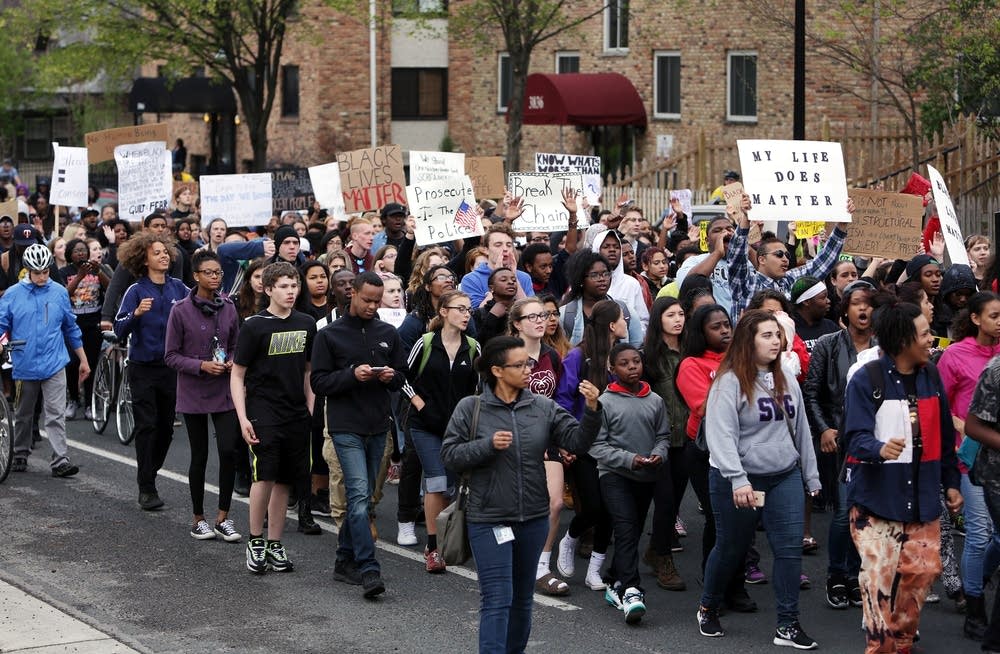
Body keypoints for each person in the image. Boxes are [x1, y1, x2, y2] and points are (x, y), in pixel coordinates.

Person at [441, 336, 602, 654]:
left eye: (529, 362)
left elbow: (578, 442)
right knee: (498, 597)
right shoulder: (471, 408)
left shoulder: (542, 407)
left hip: (533, 518)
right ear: (498, 371)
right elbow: (449, 455)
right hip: (489, 518)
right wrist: (486, 446)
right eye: (520, 364)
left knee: (521, 600)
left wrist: (594, 410)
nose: (530, 368)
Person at [842, 298, 963, 654]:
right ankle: (882, 648)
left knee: (923, 574)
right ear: (902, 339)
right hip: (875, 503)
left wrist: (952, 483)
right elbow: (855, 435)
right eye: (925, 333)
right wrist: (878, 448)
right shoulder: (867, 378)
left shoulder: (931, 375)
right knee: (877, 589)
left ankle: (903, 644)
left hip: (924, 501)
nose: (931, 339)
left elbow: (943, 433)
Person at [697, 309, 821, 648]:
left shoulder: (786, 377)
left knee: (789, 551)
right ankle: (708, 605)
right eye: (767, 335)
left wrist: (810, 477)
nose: (775, 341)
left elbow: (801, 432)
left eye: (777, 334)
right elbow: (720, 435)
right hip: (738, 481)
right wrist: (739, 480)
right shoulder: (729, 381)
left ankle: (787, 624)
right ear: (748, 341)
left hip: (783, 477)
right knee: (731, 548)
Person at [311, 271, 406, 599]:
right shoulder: (329, 335)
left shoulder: (388, 333)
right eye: (366, 300)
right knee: (359, 497)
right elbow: (319, 383)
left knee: (364, 498)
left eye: (377, 302)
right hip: (345, 426)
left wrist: (390, 376)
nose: (371, 306)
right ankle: (369, 568)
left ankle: (343, 560)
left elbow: (401, 377)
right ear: (352, 294)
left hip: (378, 425)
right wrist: (353, 375)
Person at [231, 261, 315, 574]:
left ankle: (275, 543)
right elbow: (237, 375)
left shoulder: (306, 323)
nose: (291, 291)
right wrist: (243, 418)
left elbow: (308, 371)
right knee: (263, 476)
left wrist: (311, 408)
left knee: (284, 480)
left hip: (295, 412)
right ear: (268, 290)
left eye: (294, 285)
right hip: (263, 411)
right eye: (283, 286)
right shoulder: (254, 326)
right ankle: (255, 540)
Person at [802, 279, 876, 610]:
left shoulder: (884, 346)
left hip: (878, 441)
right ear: (845, 309)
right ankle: (836, 574)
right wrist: (824, 428)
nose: (865, 309)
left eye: (870, 303)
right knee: (846, 511)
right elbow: (813, 392)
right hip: (843, 442)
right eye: (858, 303)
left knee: (870, 513)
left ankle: (858, 576)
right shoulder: (829, 344)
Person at [164, 250, 242, 542]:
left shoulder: (229, 307)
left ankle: (223, 516)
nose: (214, 277)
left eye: (218, 272)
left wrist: (232, 360)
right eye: (208, 272)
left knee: (228, 451)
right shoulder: (180, 310)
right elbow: (170, 356)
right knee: (199, 455)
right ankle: (199, 518)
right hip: (194, 389)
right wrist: (200, 365)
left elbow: (236, 344)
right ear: (196, 276)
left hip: (223, 388)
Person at [935, 291, 1000, 639]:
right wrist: (960, 424)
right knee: (979, 535)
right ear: (975, 319)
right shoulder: (955, 355)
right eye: (994, 315)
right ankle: (974, 607)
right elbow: (937, 404)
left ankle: (979, 576)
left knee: (996, 539)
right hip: (971, 458)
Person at [400, 289, 479, 573]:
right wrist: (420, 404)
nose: (466, 314)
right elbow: (402, 377)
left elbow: (478, 389)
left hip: (457, 429)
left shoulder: (473, 347)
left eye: (469, 310)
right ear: (444, 312)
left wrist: (469, 419)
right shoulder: (425, 343)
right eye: (460, 309)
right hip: (425, 425)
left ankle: (447, 539)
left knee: (450, 486)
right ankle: (433, 547)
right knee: (435, 482)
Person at [590, 343, 670, 623]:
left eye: (636, 361)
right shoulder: (605, 402)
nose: (632, 367)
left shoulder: (655, 400)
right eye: (624, 363)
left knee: (633, 531)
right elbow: (597, 446)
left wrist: (659, 455)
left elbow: (663, 436)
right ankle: (632, 589)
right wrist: (628, 459)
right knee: (624, 527)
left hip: (645, 475)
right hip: (614, 475)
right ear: (612, 369)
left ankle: (613, 579)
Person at [114, 232, 189, 511]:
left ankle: (150, 472)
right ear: (144, 259)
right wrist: (136, 315)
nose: (163, 256)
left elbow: (196, 312)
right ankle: (146, 487)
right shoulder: (136, 291)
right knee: (147, 425)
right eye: (157, 253)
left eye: (165, 252)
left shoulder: (179, 288)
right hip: (142, 367)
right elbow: (119, 329)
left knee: (166, 429)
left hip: (170, 368)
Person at [554, 300, 624, 592]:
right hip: (584, 444)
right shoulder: (578, 357)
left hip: (615, 444)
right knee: (593, 506)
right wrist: (567, 438)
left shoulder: (622, 356)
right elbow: (564, 400)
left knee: (610, 510)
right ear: (611, 325)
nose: (626, 322)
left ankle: (595, 569)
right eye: (623, 318)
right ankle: (569, 539)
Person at [2, 244, 88, 477]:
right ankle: (20, 452)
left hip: (54, 362)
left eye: (45, 272)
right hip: (24, 363)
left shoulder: (59, 292)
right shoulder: (12, 295)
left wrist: (83, 360)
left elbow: (71, 328)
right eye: (36, 272)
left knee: (55, 413)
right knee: (23, 413)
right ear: (27, 270)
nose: (41, 277)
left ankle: (60, 460)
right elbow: (1, 326)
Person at [507, 297, 568, 596]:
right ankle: (510, 558)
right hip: (514, 439)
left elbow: (556, 402)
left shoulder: (552, 356)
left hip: (546, 439)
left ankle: (541, 566)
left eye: (542, 315)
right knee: (516, 505)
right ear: (517, 324)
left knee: (555, 503)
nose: (540, 321)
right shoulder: (507, 356)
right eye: (531, 317)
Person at [729, 194, 853, 318]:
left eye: (787, 255)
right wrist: (746, 218)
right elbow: (736, 257)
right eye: (779, 254)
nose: (785, 258)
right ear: (762, 259)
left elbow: (821, 264)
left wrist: (842, 225)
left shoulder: (789, 281)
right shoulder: (747, 282)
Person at [641, 296, 689, 590]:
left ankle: (655, 550)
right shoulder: (649, 356)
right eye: (671, 314)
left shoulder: (691, 352)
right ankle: (662, 557)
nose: (678, 319)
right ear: (659, 319)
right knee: (665, 499)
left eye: (681, 314)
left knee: (674, 502)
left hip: (688, 435)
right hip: (659, 439)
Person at [60, 237, 110, 420]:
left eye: (83, 250)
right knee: (73, 363)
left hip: (93, 324)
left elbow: (111, 289)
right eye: (76, 251)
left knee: (91, 363)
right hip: (72, 324)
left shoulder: (97, 269)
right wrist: (80, 275)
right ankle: (73, 399)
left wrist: (99, 273)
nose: (81, 253)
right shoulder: (64, 272)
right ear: (69, 254)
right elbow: (63, 295)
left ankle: (90, 404)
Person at [460, 222, 533, 308]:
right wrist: (497, 276)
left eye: (509, 245)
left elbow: (529, 310)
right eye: (498, 245)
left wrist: (514, 277)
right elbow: (477, 316)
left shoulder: (524, 277)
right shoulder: (471, 279)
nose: (505, 249)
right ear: (486, 250)